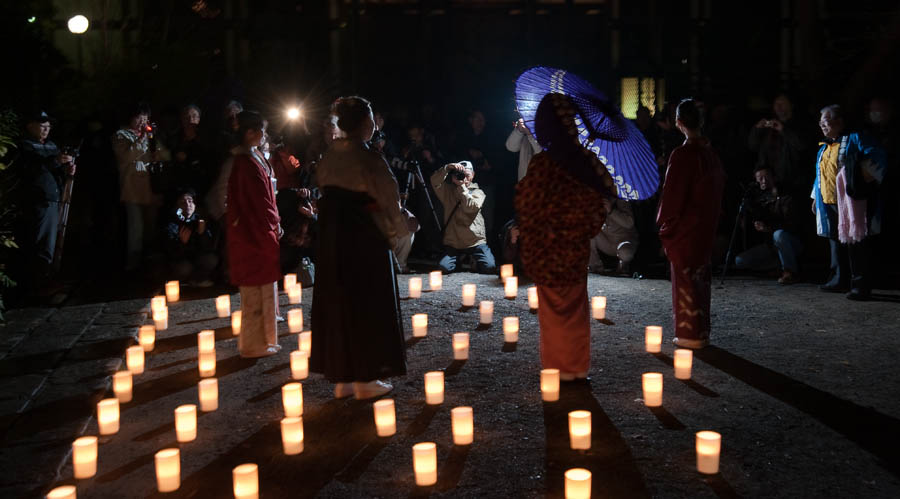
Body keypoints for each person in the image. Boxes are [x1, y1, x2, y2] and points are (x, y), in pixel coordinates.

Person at [310, 96, 409, 400]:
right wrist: (401, 226)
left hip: (332, 240)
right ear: (365, 123)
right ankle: (367, 377)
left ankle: (343, 377)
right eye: (369, 118)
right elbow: (389, 200)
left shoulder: (329, 157)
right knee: (368, 304)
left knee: (340, 302)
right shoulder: (369, 158)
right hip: (364, 239)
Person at [515, 93, 616, 381]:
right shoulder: (584, 164)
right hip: (572, 251)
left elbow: (526, 203)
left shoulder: (541, 164)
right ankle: (575, 367)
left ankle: (555, 367)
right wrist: (597, 213)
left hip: (544, 252)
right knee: (574, 308)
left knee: (551, 312)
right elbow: (594, 212)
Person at [657, 98, 725, 350]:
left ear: (679, 123)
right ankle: (702, 330)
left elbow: (672, 195)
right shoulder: (710, 154)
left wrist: (666, 223)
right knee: (700, 277)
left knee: (685, 278)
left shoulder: (683, 155)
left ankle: (689, 333)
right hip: (705, 225)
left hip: (686, 227)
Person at [812, 105, 886, 300]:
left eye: (825, 122)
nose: (822, 126)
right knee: (835, 242)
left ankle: (860, 285)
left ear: (839, 122)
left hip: (851, 202)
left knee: (856, 242)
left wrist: (864, 176)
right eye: (820, 123)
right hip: (829, 201)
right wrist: (814, 198)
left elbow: (877, 156)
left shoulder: (855, 138)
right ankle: (839, 279)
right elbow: (820, 174)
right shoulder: (825, 146)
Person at [226, 111, 282, 358]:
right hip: (253, 233)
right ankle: (251, 344)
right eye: (260, 130)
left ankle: (265, 339)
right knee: (253, 290)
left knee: (263, 288)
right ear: (249, 132)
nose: (263, 135)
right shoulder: (245, 163)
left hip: (259, 231)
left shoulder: (253, 158)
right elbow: (260, 200)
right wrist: (274, 220)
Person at [13, 111, 76, 295]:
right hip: (38, 199)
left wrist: (67, 169)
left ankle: (48, 278)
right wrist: (54, 162)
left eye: (48, 127)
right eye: (42, 126)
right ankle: (38, 283)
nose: (46, 130)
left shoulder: (52, 146)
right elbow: (31, 170)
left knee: (52, 240)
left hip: (54, 197)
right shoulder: (25, 147)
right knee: (40, 241)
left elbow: (57, 170)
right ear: (30, 126)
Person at [112, 103, 166, 270]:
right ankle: (132, 266)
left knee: (150, 227)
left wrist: (156, 145)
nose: (143, 120)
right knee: (136, 228)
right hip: (132, 189)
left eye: (145, 117)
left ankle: (149, 264)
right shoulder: (121, 135)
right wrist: (142, 137)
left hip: (151, 188)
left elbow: (164, 154)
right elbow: (127, 156)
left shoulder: (151, 136)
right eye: (139, 116)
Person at [733, 167, 804, 284]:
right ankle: (775, 267)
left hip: (791, 243)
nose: (764, 181)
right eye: (760, 179)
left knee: (779, 234)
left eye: (767, 177)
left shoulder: (786, 197)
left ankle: (790, 272)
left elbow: (792, 225)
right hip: (771, 247)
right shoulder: (760, 200)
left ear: (774, 178)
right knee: (740, 261)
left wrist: (768, 228)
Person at [431, 161, 497, 274]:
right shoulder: (448, 191)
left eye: (467, 175)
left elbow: (470, 207)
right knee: (443, 268)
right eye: (461, 175)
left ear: (473, 175)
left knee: (489, 267)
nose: (464, 178)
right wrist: (446, 168)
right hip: (454, 242)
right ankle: (459, 259)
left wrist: (462, 187)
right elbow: (434, 181)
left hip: (475, 241)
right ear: (453, 177)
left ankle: (472, 259)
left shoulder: (478, 192)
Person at [748, 94, 809, 194]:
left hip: (792, 183)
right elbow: (752, 146)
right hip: (770, 181)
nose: (778, 106)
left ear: (791, 105)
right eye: (776, 103)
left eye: (782, 103)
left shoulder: (800, 124)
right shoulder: (768, 128)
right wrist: (757, 129)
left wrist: (783, 130)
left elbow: (802, 145)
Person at [589, 197, 639, 275]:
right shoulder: (598, 200)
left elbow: (629, 223)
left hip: (624, 241)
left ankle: (623, 266)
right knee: (588, 234)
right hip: (608, 242)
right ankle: (595, 267)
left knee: (625, 253)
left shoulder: (623, 201)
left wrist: (611, 211)